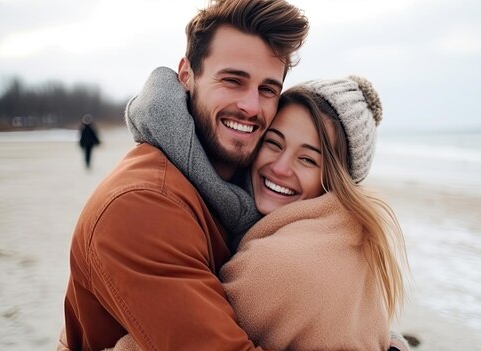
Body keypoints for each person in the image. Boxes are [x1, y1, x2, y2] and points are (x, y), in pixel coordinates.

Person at [60, 0, 310, 350]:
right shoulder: (142, 205)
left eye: (267, 89)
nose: (252, 107)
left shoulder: (251, 189)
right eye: (233, 80)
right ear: (187, 75)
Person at [105, 74, 410, 351]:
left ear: (335, 179)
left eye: (307, 160)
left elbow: (177, 337)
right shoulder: (349, 237)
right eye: (274, 143)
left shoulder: (281, 263)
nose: (279, 168)